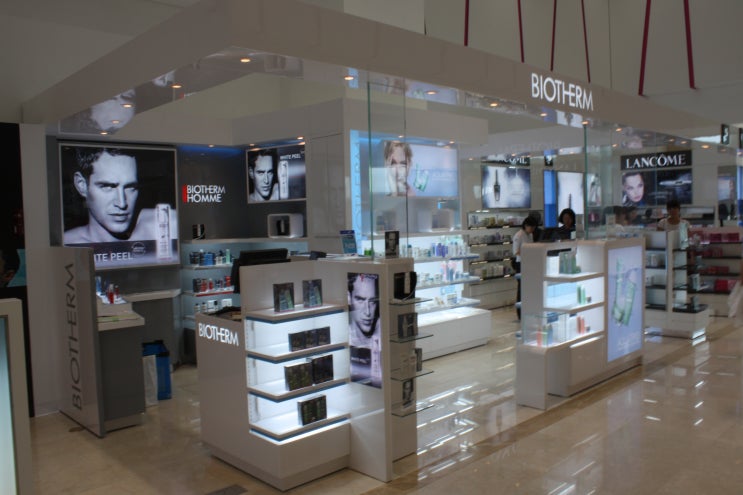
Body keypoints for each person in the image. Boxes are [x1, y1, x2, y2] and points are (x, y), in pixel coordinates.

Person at [64, 147, 143, 243]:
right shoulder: (66, 243)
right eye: (107, 186)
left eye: (130, 187)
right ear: (82, 185)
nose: (122, 204)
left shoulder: (153, 234)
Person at [348, 272, 381, 388]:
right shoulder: (343, 335)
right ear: (349, 298)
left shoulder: (384, 333)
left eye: (373, 301)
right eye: (360, 300)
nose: (367, 312)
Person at [512, 216, 537, 319]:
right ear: (526, 225)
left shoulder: (530, 235)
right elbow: (516, 251)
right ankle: (520, 313)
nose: (532, 230)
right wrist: (527, 253)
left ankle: (528, 311)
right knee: (521, 288)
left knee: (528, 288)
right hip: (521, 264)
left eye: (534, 228)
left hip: (529, 263)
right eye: (531, 227)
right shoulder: (519, 235)